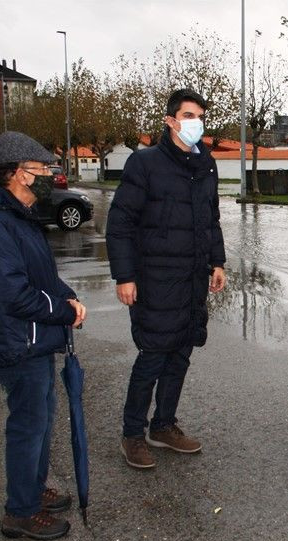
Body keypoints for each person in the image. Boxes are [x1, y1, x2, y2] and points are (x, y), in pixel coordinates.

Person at [0, 131, 87, 541]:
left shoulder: (17, 216)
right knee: (28, 425)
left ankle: (32, 488)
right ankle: (20, 511)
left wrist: (67, 296)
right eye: (42, 168)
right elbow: (12, 293)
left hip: (34, 336)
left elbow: (41, 277)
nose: (49, 175)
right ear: (18, 173)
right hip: (16, 340)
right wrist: (62, 311)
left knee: (42, 418)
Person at [107, 88, 226, 469]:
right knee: (153, 356)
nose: (196, 123)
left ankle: (163, 425)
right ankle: (132, 434)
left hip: (192, 278)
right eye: (189, 116)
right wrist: (124, 276)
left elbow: (211, 219)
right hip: (155, 278)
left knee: (180, 354)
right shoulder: (145, 163)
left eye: (200, 116)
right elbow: (120, 223)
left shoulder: (206, 165)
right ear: (170, 121)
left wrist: (217, 262)